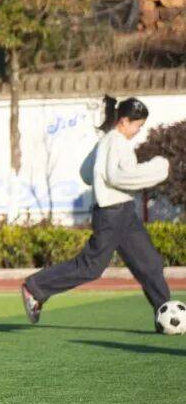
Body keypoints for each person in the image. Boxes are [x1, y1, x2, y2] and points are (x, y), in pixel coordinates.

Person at [22, 96, 174, 330]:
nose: (138, 131)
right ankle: (35, 287)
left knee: (150, 263)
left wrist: (99, 169)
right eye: (138, 125)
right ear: (124, 121)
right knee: (90, 267)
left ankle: (165, 312)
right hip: (112, 214)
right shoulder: (116, 142)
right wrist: (159, 168)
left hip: (123, 212)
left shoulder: (107, 141)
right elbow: (117, 176)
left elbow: (86, 173)